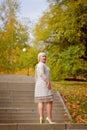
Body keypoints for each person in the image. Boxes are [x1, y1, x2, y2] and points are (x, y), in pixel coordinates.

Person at [34, 52, 54, 124]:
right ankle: (49, 118)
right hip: (44, 84)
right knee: (49, 101)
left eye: (45, 56)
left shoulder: (38, 65)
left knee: (40, 101)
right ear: (39, 58)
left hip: (39, 85)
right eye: (43, 56)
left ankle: (41, 117)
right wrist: (47, 81)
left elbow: (36, 77)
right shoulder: (41, 64)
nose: (45, 57)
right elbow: (42, 74)